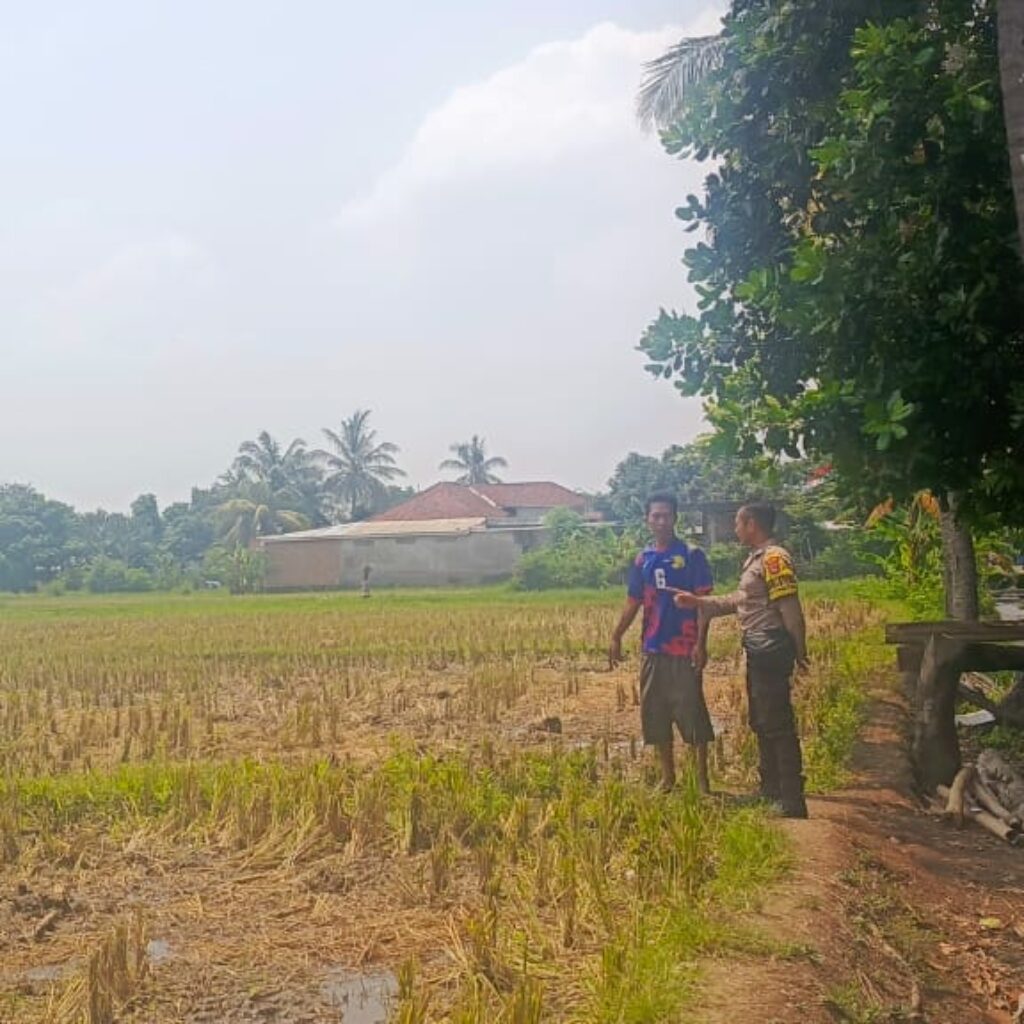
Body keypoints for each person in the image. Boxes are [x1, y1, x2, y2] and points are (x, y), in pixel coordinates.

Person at [673, 502, 809, 818]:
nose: (735, 529)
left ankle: (791, 799)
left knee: (776, 722)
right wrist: (701, 602)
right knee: (761, 720)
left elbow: (790, 609)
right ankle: (770, 790)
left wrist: (800, 651)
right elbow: (741, 600)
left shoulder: (774, 559)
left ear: (751, 524)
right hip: (759, 648)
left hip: (771, 647)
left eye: (737, 523)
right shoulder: (757, 560)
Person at [609, 493, 715, 793]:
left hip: (684, 649)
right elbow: (633, 601)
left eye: (666, 515)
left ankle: (702, 783)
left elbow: (703, 603)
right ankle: (668, 779)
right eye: (655, 515)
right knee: (655, 714)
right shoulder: (643, 559)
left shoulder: (692, 555)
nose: (660, 521)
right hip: (653, 648)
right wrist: (617, 635)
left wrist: (701, 644)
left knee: (691, 713)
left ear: (675, 518)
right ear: (647, 519)